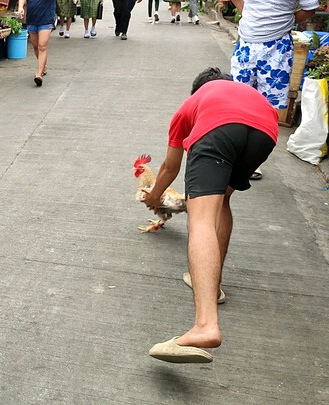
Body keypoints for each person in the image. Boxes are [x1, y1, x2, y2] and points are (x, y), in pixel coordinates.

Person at [143, 68, 278, 363]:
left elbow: (170, 167)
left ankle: (205, 325)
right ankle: (212, 286)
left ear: (196, 91)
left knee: (200, 216)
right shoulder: (246, 93)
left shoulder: (192, 104)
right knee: (223, 201)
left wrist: (154, 197)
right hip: (266, 131)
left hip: (220, 130)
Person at [230, 0, 318, 180]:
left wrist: (283, 20)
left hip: (277, 47)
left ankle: (253, 161)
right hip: (246, 42)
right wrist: (245, 11)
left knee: (267, 108)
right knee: (237, 102)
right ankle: (233, 154)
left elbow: (310, 8)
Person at [18, 0, 55, 86]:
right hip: (32, 19)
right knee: (35, 46)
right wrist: (20, 7)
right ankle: (43, 66)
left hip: (46, 19)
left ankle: (39, 74)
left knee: (42, 46)